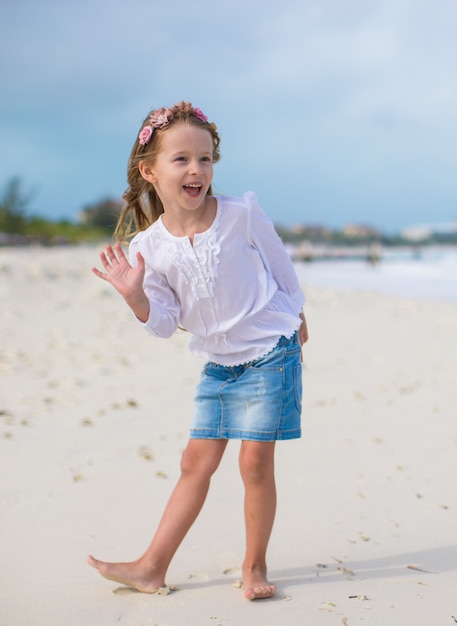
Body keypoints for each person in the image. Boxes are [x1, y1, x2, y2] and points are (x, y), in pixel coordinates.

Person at [87, 101, 308, 601]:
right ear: (150, 171)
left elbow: (281, 268)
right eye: (182, 159)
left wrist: (297, 315)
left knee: (254, 463)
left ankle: (254, 566)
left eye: (205, 159)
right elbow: (164, 325)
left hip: (271, 350)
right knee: (195, 463)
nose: (196, 170)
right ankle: (150, 566)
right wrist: (136, 296)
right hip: (218, 364)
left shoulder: (240, 214)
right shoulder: (148, 248)